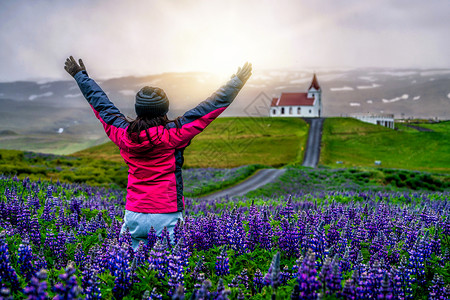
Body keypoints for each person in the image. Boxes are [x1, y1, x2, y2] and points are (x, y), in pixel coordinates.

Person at [64, 56, 252, 250]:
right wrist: (236, 82)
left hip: (134, 213)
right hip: (167, 213)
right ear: (164, 111)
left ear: (138, 110)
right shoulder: (174, 133)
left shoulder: (123, 134)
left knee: (129, 269)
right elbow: (209, 107)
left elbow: (101, 105)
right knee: (171, 269)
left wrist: (80, 76)